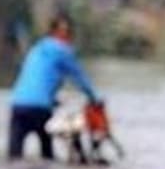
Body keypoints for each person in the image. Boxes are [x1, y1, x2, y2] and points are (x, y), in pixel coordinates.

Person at [8, 15, 101, 160]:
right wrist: (95, 99)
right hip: (40, 109)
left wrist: (53, 100)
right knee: (47, 155)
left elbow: (37, 80)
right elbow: (81, 79)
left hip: (18, 104)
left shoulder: (36, 49)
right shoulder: (63, 51)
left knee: (13, 155)